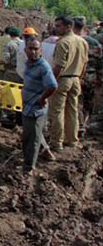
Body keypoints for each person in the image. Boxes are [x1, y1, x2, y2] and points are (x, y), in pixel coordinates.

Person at [48, 16, 88, 150]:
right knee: (72, 111)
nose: (56, 28)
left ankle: (57, 142)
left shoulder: (63, 42)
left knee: (57, 111)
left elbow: (59, 66)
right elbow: (84, 64)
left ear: (68, 27)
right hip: (76, 78)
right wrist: (80, 78)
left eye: (59, 26)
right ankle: (72, 141)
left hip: (63, 79)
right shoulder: (82, 41)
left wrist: (51, 82)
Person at [21, 38, 58, 174]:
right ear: (25, 50)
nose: (33, 51)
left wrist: (42, 99)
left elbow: (52, 86)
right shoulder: (29, 64)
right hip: (27, 106)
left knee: (33, 140)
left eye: (36, 49)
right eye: (30, 48)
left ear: (40, 50)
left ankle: (29, 168)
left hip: (35, 108)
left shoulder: (43, 66)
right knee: (28, 137)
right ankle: (32, 160)